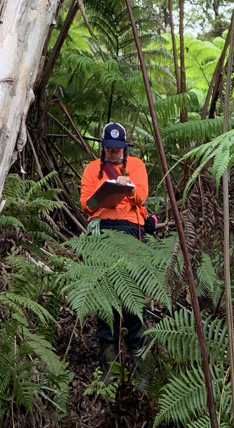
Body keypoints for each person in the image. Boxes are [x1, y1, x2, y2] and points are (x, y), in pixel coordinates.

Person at [79, 122, 150, 369]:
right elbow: (86, 204)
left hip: (131, 227)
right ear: (103, 146)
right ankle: (108, 350)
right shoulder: (92, 169)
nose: (113, 152)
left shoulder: (137, 165)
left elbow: (142, 196)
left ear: (124, 146)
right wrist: (103, 192)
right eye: (109, 148)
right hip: (103, 229)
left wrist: (125, 186)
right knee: (105, 288)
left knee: (132, 286)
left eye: (117, 148)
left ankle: (136, 347)